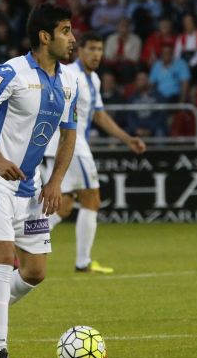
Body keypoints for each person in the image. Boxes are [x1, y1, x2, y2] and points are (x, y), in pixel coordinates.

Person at [0, 3, 79, 358]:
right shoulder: (9, 72)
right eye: (65, 31)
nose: (72, 38)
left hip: (31, 188)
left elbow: (68, 134)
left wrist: (56, 180)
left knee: (35, 272)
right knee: (2, 259)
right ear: (45, 37)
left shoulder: (69, 81)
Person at [43, 33, 147, 274]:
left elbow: (99, 115)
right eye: (91, 49)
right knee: (92, 199)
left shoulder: (94, 80)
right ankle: (83, 262)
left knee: (64, 205)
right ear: (80, 51)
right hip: (71, 145)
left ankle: (26, 241)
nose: (97, 54)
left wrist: (127, 139)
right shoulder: (70, 75)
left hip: (68, 147)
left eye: (100, 49)